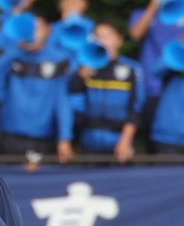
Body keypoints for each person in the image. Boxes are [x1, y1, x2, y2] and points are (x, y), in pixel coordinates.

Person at [0, 13, 71, 158]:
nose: (33, 33)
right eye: (30, 28)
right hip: (11, 133)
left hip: (44, 135)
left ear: (48, 30)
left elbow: (62, 101)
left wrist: (64, 138)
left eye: (38, 28)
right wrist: (18, 49)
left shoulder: (59, 59)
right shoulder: (14, 54)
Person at [59, 21, 142, 163]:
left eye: (107, 36)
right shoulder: (85, 66)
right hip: (90, 141)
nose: (102, 41)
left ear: (119, 40)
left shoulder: (131, 69)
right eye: (98, 36)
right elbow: (69, 97)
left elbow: (136, 108)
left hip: (119, 141)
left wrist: (125, 141)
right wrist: (80, 75)